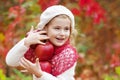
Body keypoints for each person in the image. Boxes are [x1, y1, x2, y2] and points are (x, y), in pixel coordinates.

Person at [6, 5, 78, 80]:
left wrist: (40, 74)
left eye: (66, 29)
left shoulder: (67, 53)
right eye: (57, 28)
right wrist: (26, 42)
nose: (62, 33)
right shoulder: (37, 45)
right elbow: (11, 61)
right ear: (45, 28)